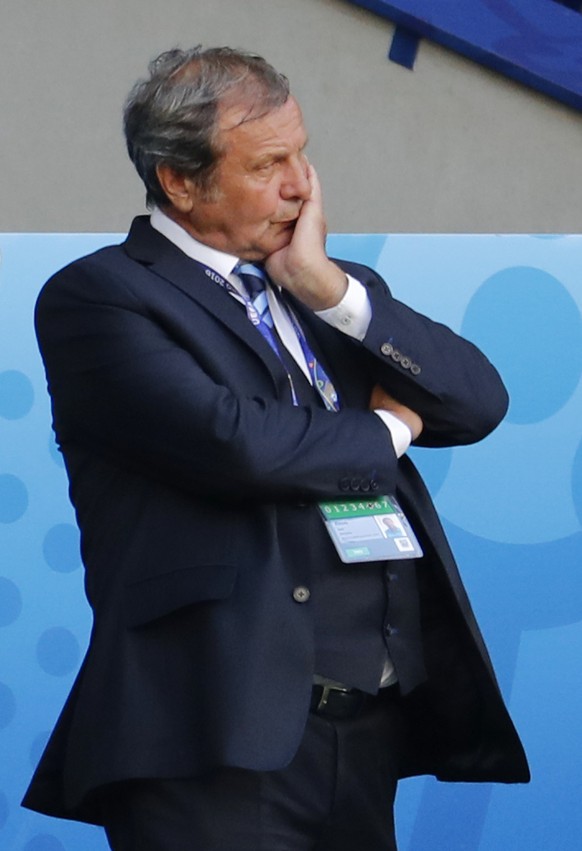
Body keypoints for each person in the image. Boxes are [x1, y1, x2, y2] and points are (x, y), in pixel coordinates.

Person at [23, 46, 529, 850]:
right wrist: (392, 429)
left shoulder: (327, 286)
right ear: (178, 180)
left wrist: (331, 290)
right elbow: (238, 445)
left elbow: (477, 402)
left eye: (302, 154)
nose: (300, 185)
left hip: (362, 734)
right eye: (268, 164)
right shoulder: (102, 295)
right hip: (208, 745)